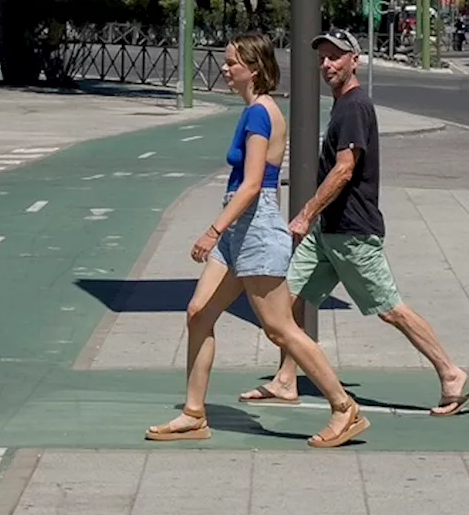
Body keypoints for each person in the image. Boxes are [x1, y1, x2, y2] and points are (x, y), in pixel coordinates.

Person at [240, 28, 469, 416]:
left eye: (336, 56)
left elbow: (345, 169)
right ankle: (286, 379)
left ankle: (450, 371)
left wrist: (305, 215)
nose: (327, 64)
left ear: (355, 59)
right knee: (290, 300)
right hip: (329, 232)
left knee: (390, 308)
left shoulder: (354, 106)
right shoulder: (343, 105)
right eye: (322, 57)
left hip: (352, 232)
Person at [145, 31, 369, 448]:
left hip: (254, 227)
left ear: (254, 68)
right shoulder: (257, 111)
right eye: (226, 62)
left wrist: (212, 231)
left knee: (279, 328)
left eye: (232, 63)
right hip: (239, 229)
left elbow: (251, 186)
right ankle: (194, 414)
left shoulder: (260, 114)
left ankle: (344, 407)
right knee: (198, 314)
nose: (225, 69)